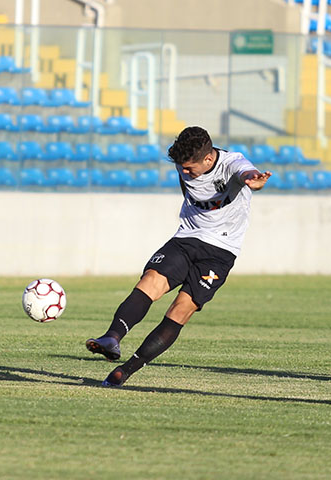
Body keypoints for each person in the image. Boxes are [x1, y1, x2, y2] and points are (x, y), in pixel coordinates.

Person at [85, 126, 270, 387]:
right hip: (187, 238)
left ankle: (125, 370)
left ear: (208, 159)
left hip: (220, 252)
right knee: (150, 282)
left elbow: (246, 171)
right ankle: (112, 337)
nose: (183, 173)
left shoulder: (232, 164)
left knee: (181, 308)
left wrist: (254, 179)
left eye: (189, 168)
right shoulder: (185, 163)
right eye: (181, 167)